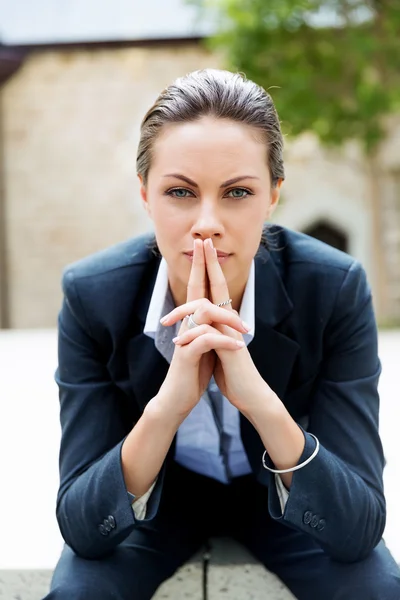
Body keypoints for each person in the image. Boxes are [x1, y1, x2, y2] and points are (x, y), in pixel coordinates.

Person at [45, 69, 400, 600]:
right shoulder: (93, 295)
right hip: (158, 493)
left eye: (237, 191)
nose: (207, 222)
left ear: (274, 194)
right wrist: (168, 406)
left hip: (283, 490)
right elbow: (82, 527)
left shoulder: (332, 288)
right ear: (145, 195)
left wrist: (259, 400)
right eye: (180, 192)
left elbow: (357, 528)